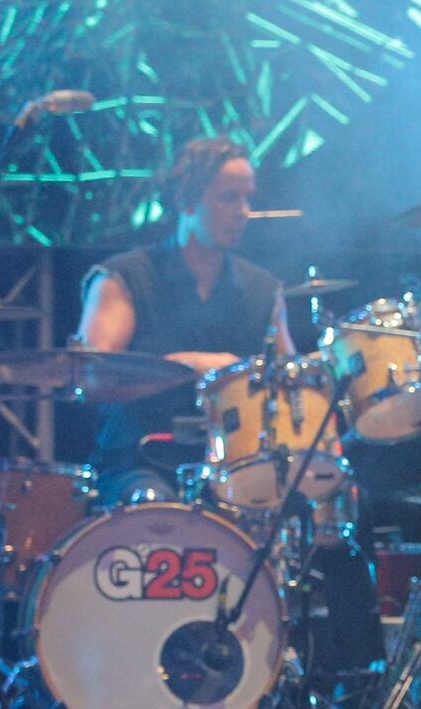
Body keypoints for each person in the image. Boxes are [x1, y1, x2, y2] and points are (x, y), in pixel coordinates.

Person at [74, 136, 290, 501]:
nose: (243, 212)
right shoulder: (124, 278)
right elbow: (91, 377)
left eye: (247, 198)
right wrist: (188, 366)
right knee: (153, 502)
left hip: (235, 465)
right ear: (185, 200)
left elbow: (290, 383)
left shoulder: (263, 289)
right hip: (139, 462)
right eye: (229, 197)